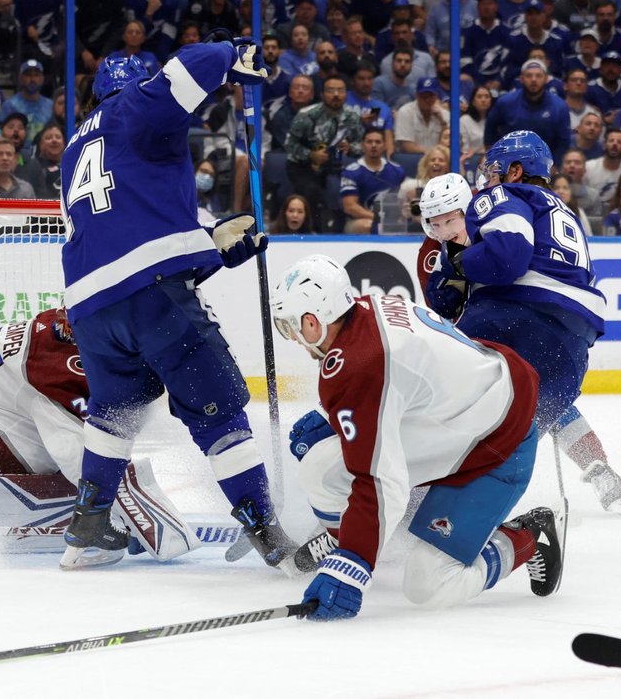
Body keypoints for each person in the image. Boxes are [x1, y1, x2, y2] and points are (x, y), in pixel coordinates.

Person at [57, 45, 299, 572]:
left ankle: (88, 524)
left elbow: (131, 218)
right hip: (151, 293)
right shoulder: (137, 108)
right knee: (220, 408)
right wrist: (229, 52)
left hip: (91, 307)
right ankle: (268, 533)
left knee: (115, 411)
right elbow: (186, 71)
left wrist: (210, 241)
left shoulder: (74, 146)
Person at [268, 253, 562, 621]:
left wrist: (353, 564)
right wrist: (334, 415)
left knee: (429, 586)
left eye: (289, 327)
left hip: (497, 444)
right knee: (319, 468)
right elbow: (402, 380)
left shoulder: (359, 364)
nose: (293, 338)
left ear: (312, 322)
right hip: (461, 419)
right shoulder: (365, 308)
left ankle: (529, 536)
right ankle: (345, 536)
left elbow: (380, 480)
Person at [424, 132, 621, 514]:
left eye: (452, 219)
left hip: (509, 324)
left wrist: (463, 263)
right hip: (569, 338)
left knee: (468, 408)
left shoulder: (498, 203)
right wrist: (453, 266)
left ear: (468, 206)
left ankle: (409, 497)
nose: (445, 230)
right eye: (435, 224)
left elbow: (508, 259)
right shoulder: (553, 210)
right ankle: (450, 506)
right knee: (515, 426)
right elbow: (442, 309)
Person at [0, 307, 198, 561]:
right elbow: (77, 456)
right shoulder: (56, 373)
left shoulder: (52, 329)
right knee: (79, 479)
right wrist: (117, 510)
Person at [285, 73, 364, 232]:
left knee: (344, 192)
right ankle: (313, 233)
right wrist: (311, 155)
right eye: (331, 90)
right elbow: (289, 144)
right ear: (322, 94)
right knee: (312, 192)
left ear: (346, 94)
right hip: (303, 167)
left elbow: (362, 145)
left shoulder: (352, 117)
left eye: (340, 91)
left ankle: (340, 233)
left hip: (337, 168)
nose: (336, 95)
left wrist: (350, 148)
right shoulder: (307, 115)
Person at [339, 128, 407, 233]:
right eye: (369, 142)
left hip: (393, 219)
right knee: (369, 225)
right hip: (360, 220)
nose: (373, 145)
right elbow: (350, 206)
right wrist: (379, 218)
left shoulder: (397, 170)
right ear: (362, 145)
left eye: (378, 142)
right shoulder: (351, 172)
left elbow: (404, 200)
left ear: (384, 146)